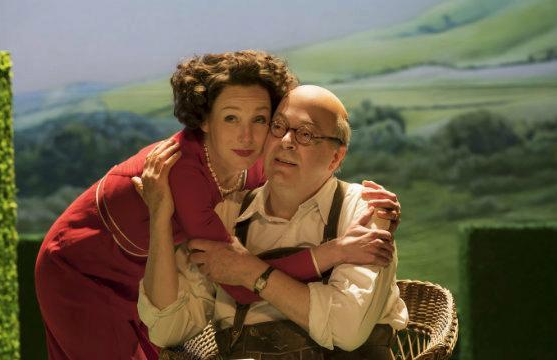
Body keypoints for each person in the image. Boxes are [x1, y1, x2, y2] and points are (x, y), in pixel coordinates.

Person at [35, 51, 397, 360]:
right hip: (80, 270)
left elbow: (307, 182)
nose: (249, 136)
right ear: (204, 121)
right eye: (231, 118)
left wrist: (377, 205)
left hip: (140, 272)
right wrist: (330, 253)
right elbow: (236, 279)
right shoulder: (184, 173)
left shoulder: (257, 161)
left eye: (261, 119)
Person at [136, 85, 408, 359]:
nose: (286, 141)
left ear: (336, 156)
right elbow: (168, 329)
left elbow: (346, 330)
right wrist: (160, 216)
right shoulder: (228, 214)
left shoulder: (366, 209)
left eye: (305, 134)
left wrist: (248, 271)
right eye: (278, 127)